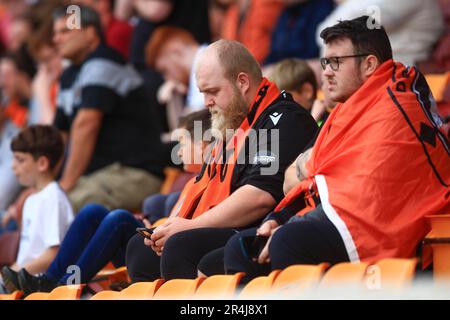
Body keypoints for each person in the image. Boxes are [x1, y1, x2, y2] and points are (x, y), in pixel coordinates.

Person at [222, 16, 450, 283]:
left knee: (288, 242)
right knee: (239, 250)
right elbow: (298, 182)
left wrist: (291, 222)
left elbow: (365, 195)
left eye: (337, 62)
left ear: (369, 64)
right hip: (334, 220)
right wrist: (279, 217)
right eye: (325, 62)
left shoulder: (396, 104)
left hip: (393, 233)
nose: (327, 71)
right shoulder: (346, 109)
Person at [125, 39, 318, 282]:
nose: (206, 102)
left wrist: (190, 226)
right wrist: (173, 226)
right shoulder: (233, 123)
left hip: (262, 229)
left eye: (213, 91)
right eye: (202, 93)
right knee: (140, 250)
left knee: (181, 247)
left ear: (242, 82)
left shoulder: (284, 119)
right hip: (228, 227)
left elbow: (259, 197)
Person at [13, 110, 212, 295]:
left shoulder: (213, 181)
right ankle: (50, 280)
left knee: (120, 219)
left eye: (183, 144)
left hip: (171, 252)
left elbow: (195, 228)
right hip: (156, 244)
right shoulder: (192, 183)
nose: (177, 152)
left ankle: (65, 286)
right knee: (92, 212)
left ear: (203, 145)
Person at [51, 5, 166, 213]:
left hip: (135, 173)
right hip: (100, 175)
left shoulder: (104, 61)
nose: (56, 39)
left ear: (90, 33)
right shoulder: (69, 76)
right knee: (42, 204)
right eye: (55, 33)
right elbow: (59, 136)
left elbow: (87, 124)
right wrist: (46, 185)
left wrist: (63, 185)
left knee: (61, 207)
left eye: (65, 31)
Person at [0, 125, 73, 294]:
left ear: (42, 163)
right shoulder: (32, 199)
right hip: (22, 284)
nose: (13, 166)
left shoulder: (53, 197)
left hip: (39, 287)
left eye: (20, 160)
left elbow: (52, 254)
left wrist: (15, 274)